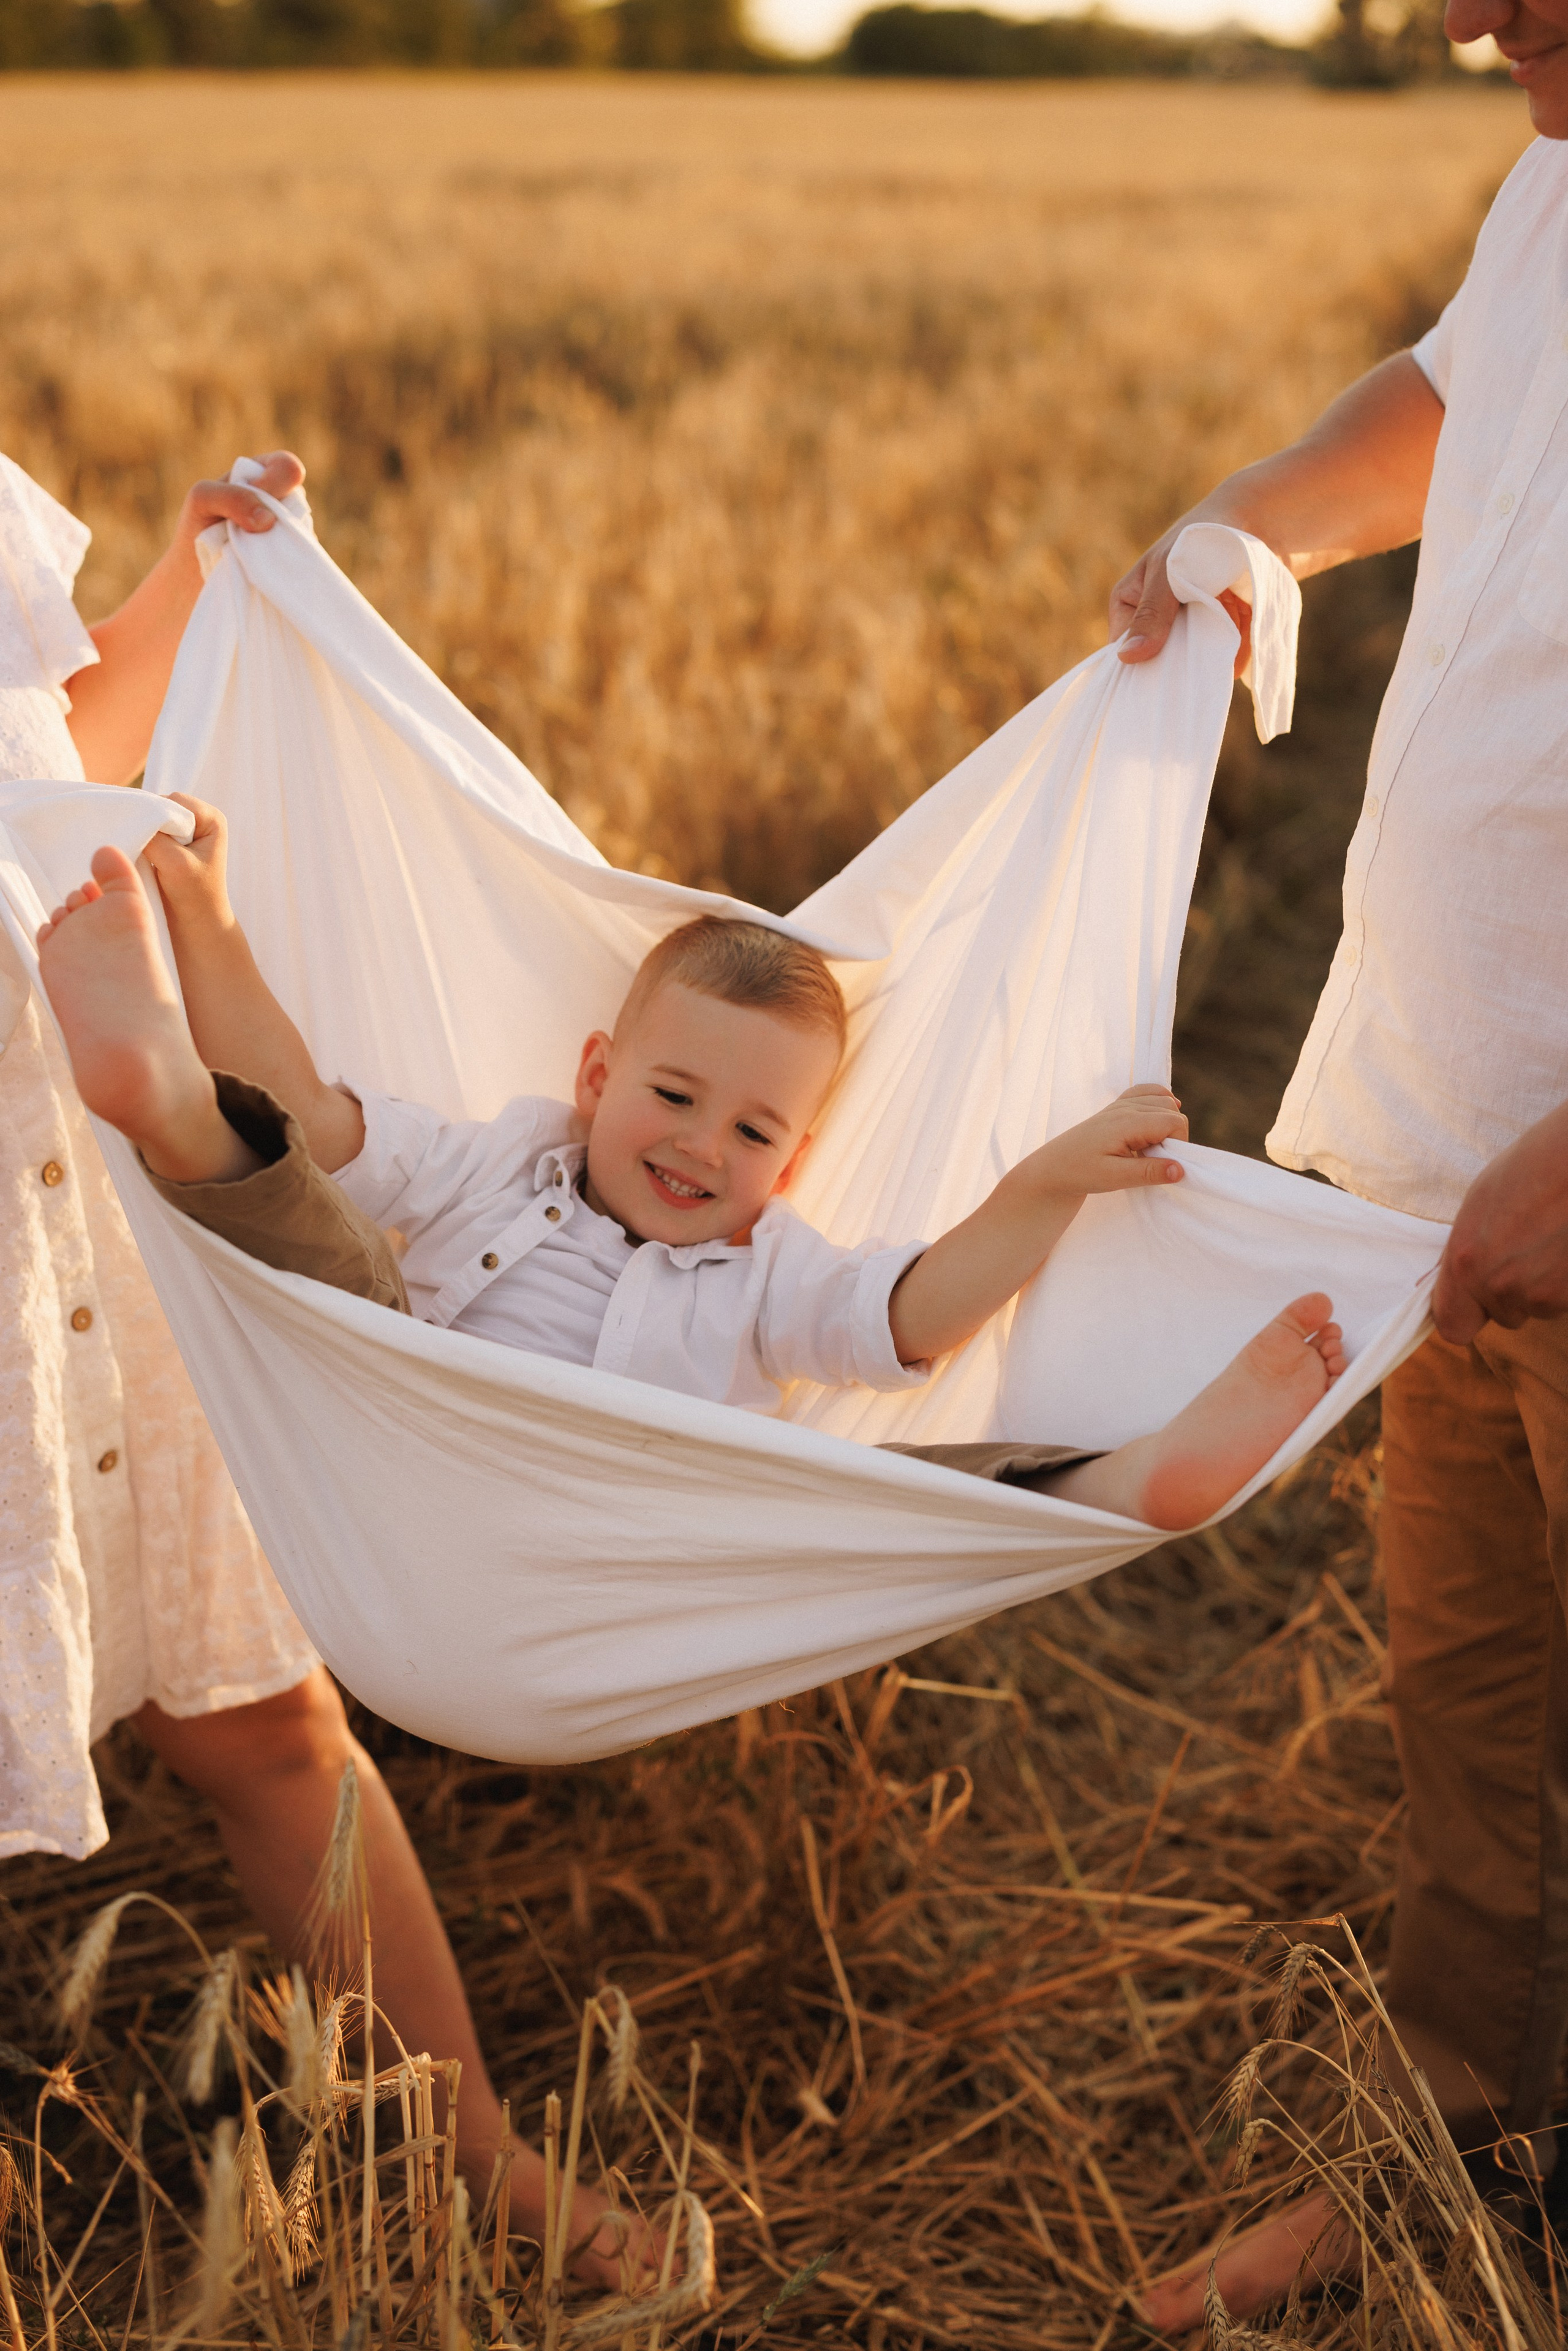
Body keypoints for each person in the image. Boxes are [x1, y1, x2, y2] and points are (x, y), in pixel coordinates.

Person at [0, 451, 631, 2281]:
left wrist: (193, 585)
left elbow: (54, 728)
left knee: (268, 1711)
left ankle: (474, 2146)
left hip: (112, 1250)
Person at [1102, 0, 1568, 2323]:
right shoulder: (1551, 181)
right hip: (1442, 1175)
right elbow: (1457, 397)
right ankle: (1446, 2157)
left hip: (1561, 1173)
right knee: (1476, 1719)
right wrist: (1248, 518)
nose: (1470, 16)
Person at [34, 813, 1349, 1536]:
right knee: (332, 1239)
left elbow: (919, 1315)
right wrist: (207, 923)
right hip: (410, 1445)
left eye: (753, 1132)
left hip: (648, 1531)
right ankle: (176, 1101)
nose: (701, 1149)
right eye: (672, 1095)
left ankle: (1114, 1484)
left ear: (797, 1158)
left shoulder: (767, 1272)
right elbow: (319, 1119)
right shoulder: (503, 1162)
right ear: (598, 1073)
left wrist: (1044, 1181)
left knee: (875, 1502)